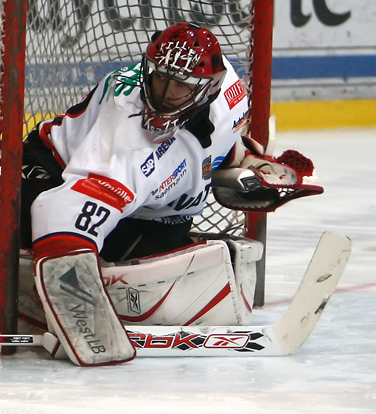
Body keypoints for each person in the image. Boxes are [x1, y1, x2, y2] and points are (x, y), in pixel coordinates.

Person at [19, 22, 322, 366]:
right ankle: (19, 282)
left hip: (147, 205)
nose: (163, 93)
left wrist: (251, 162)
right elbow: (61, 212)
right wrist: (87, 326)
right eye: (159, 77)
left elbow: (219, 141)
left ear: (209, 88)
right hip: (49, 172)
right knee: (93, 263)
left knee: (171, 272)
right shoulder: (125, 140)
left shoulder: (232, 95)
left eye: (179, 85)